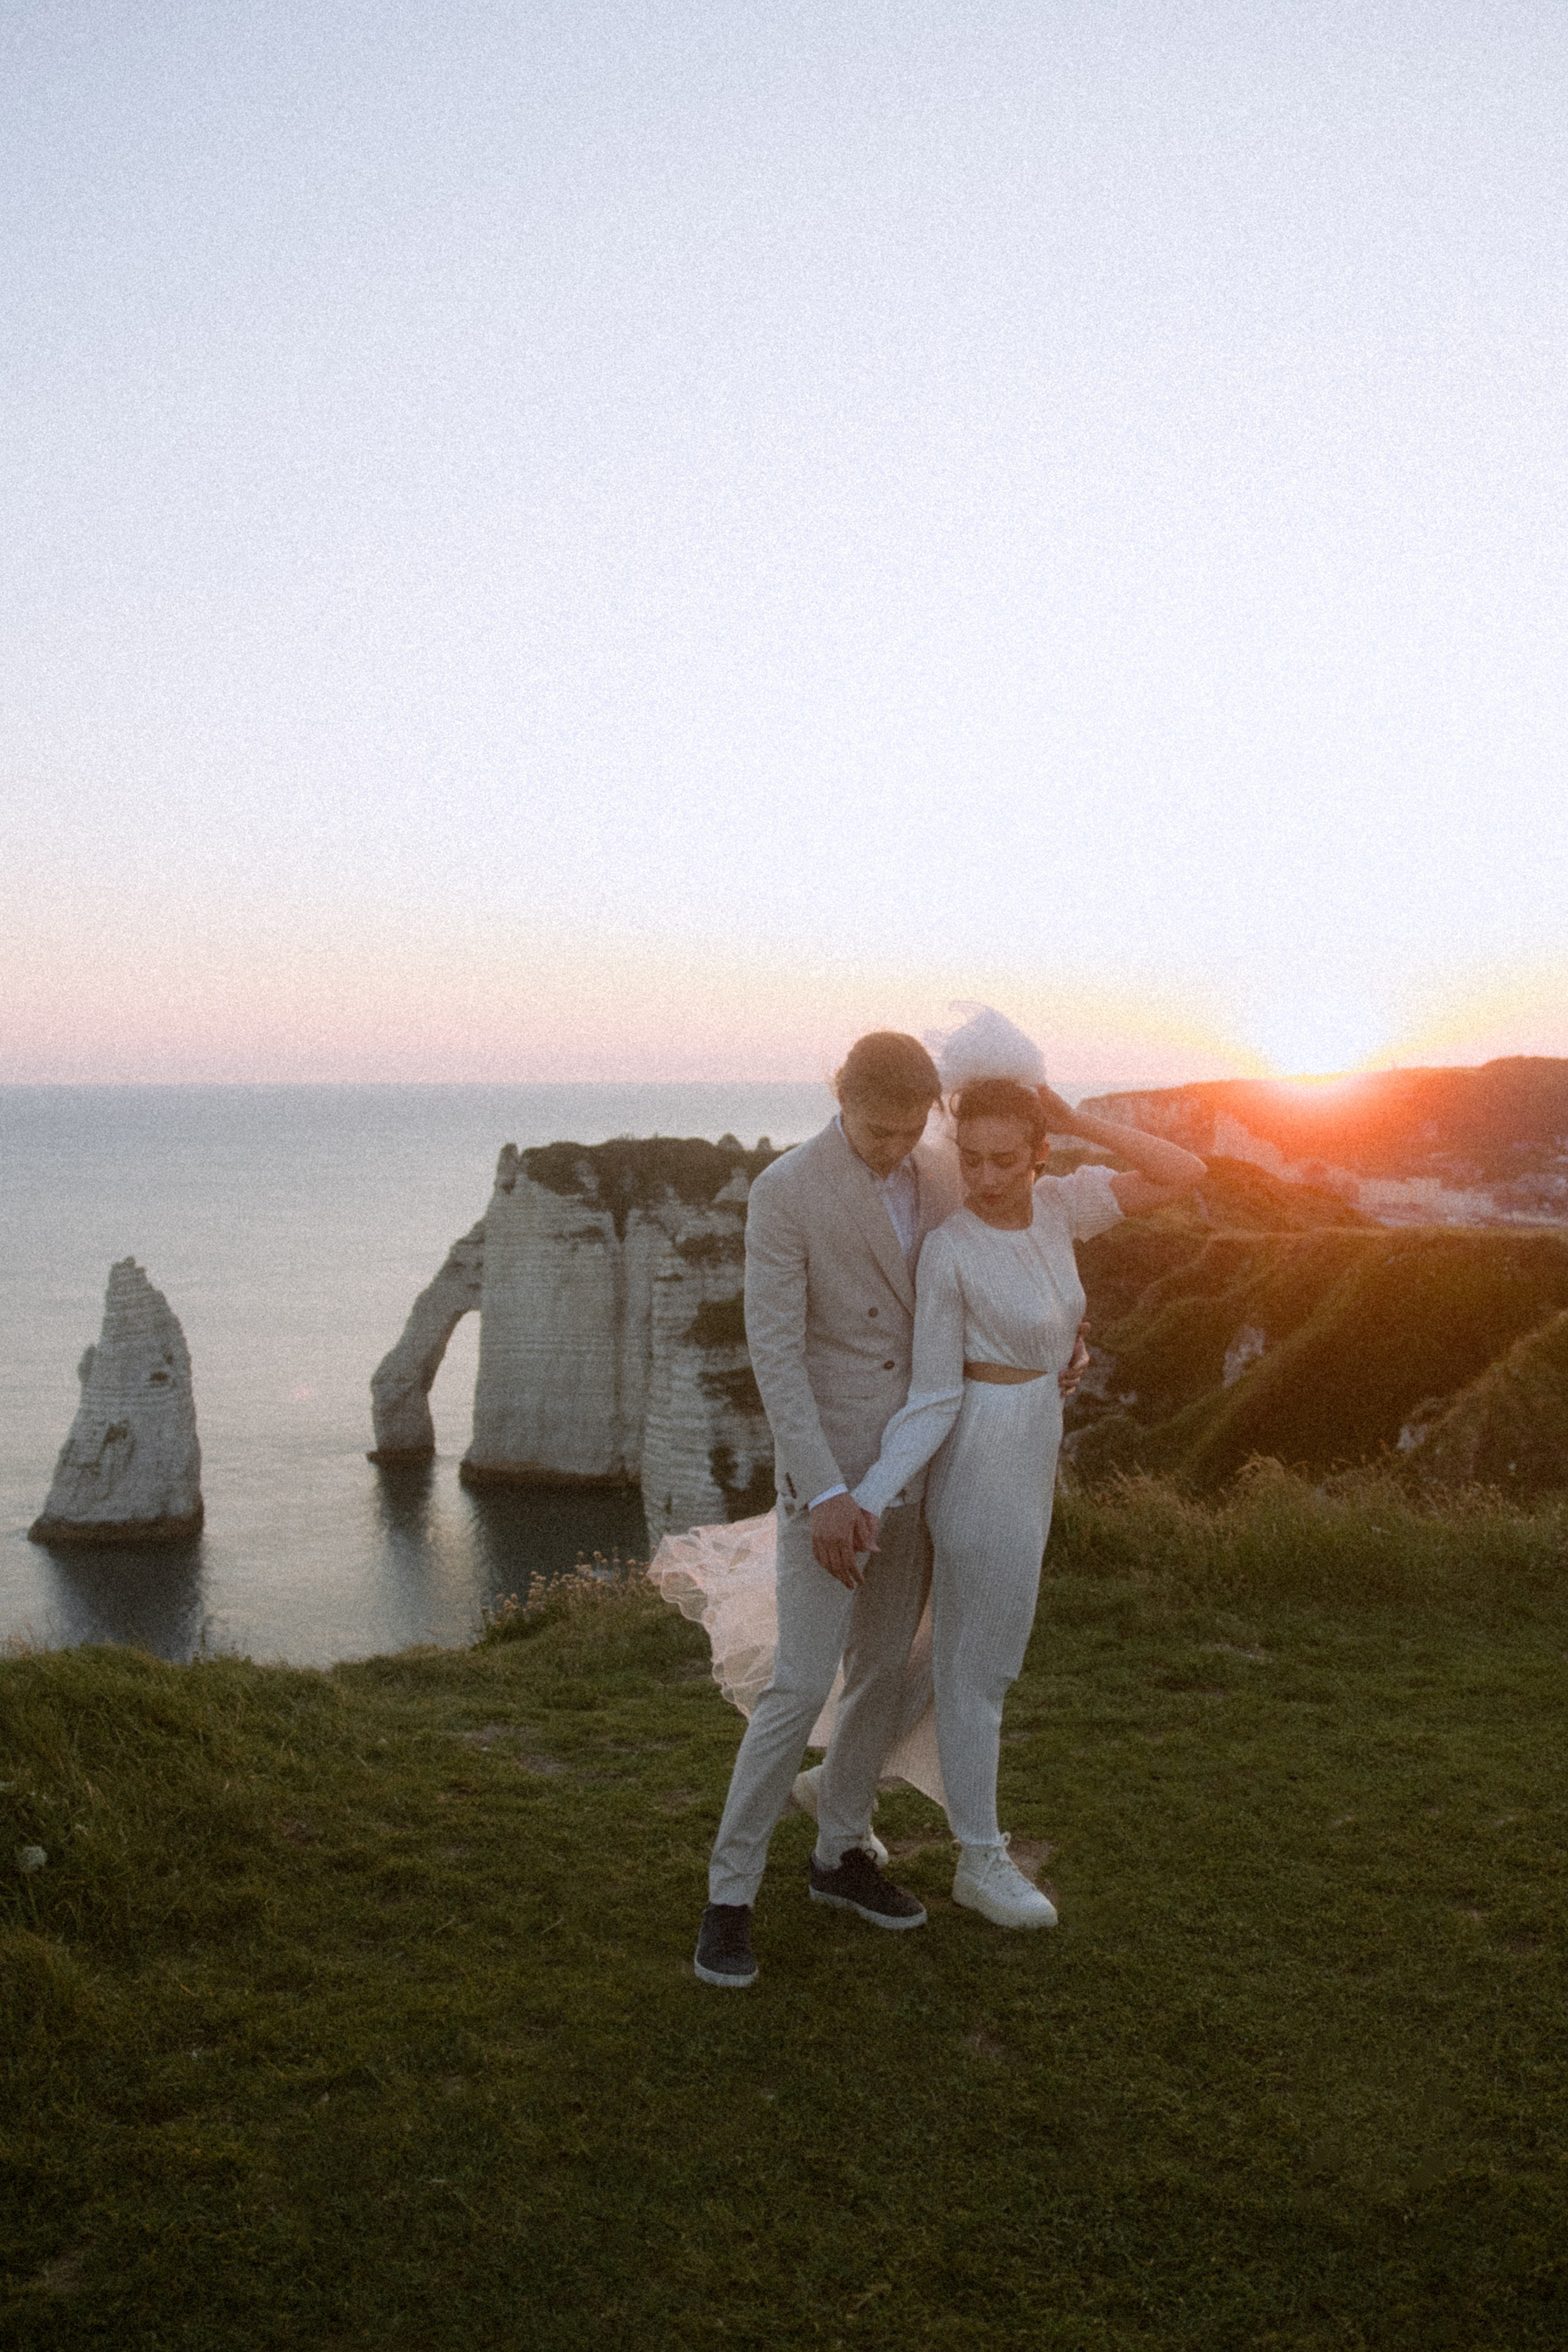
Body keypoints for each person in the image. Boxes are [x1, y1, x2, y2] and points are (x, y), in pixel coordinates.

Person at [847, 1069, 1204, 1931]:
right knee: (985, 1667)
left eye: (1007, 1159)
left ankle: (838, 1781)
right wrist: (867, 1496)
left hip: (1033, 1443)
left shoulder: (1063, 1207)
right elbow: (934, 1395)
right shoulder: (952, 1248)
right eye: (971, 1160)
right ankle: (980, 1858)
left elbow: (1185, 1172)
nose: (987, 1178)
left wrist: (1080, 1114)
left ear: (1043, 1154)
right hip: (979, 1462)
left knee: (952, 1651)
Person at [692, 1031, 961, 1989]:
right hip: (830, 1479)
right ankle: (729, 1894)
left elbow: (974, 1283)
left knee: (885, 1668)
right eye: (876, 1128)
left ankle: (840, 1852)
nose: (892, 1148)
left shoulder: (939, 1174)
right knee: (800, 1684)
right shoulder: (785, 1191)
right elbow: (777, 1353)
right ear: (837, 1096)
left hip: (918, 1471)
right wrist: (826, 1492)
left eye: (908, 1130)